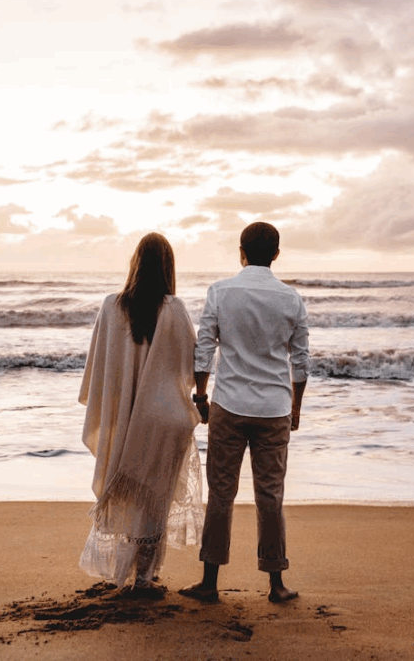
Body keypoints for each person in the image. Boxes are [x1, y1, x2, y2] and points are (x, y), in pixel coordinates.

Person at [179, 222, 309, 604]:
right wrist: (295, 409)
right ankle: (276, 584)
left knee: (222, 491)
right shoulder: (291, 299)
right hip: (273, 409)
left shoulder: (221, 292)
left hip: (229, 405)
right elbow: (300, 362)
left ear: (241, 252)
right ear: (276, 254)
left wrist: (202, 394)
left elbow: (204, 349)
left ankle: (209, 582)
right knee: (270, 495)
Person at [78, 233, 204, 598]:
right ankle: (144, 577)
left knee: (128, 491)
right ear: (168, 267)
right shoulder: (174, 308)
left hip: (122, 415)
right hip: (161, 419)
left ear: (135, 262)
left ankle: (125, 568)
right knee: (154, 496)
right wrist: (198, 397)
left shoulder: (109, 306)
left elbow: (99, 368)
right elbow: (190, 363)